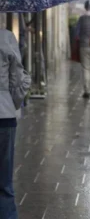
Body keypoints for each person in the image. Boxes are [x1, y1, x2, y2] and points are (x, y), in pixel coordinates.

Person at [0, 29, 31, 219]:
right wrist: (13, 104)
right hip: (3, 115)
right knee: (4, 183)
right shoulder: (5, 37)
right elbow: (17, 79)